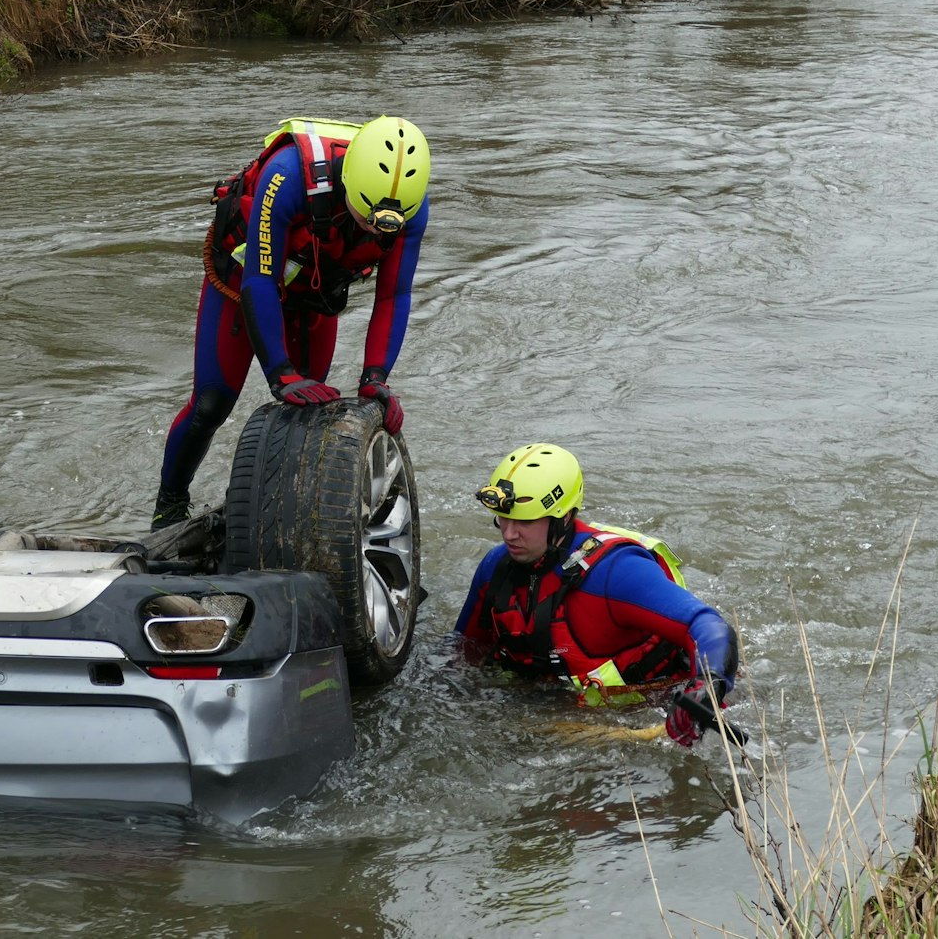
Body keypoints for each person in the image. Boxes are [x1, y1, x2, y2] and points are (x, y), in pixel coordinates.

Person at [153, 115, 431, 529]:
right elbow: (260, 279)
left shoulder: (414, 204)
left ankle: (272, 516)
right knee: (211, 404)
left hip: (314, 294)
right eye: (366, 217)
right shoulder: (287, 176)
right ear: (349, 184)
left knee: (307, 413)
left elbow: (394, 294)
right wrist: (280, 372)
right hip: (244, 282)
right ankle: (170, 505)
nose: (374, 230)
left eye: (383, 225)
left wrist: (376, 377)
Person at [455, 443, 740, 747]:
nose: (509, 533)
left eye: (525, 521)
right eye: (503, 518)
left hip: (646, 708)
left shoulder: (617, 572)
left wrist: (708, 689)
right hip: (555, 709)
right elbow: (462, 649)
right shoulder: (495, 568)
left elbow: (707, 625)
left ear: (564, 517)